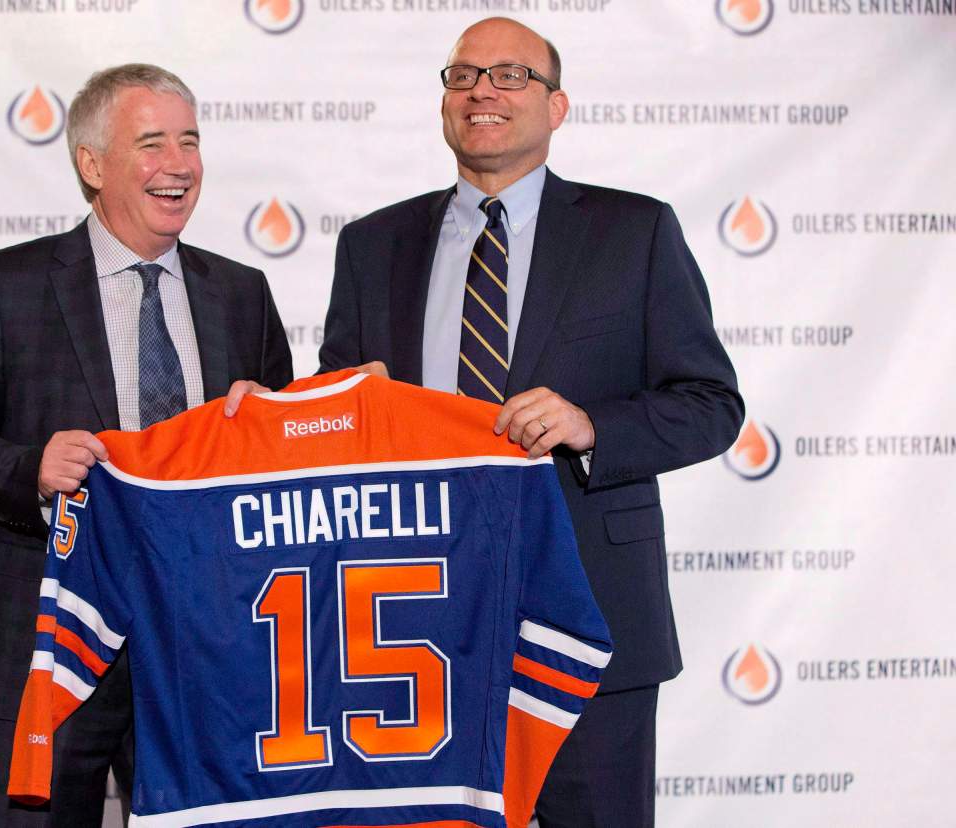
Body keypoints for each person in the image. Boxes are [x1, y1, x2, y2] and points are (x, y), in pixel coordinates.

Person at [318, 18, 743, 827]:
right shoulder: (373, 245)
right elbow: (338, 421)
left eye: (511, 75)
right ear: (445, 103)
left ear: (557, 106)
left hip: (588, 624)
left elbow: (711, 405)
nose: (483, 91)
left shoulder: (634, 232)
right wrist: (341, 408)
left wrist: (593, 426)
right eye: (464, 76)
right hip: (415, 634)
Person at [0, 63, 292, 825]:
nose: (179, 164)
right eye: (152, 143)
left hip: (204, 648)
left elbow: (286, 464)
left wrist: (273, 429)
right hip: (49, 646)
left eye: (190, 141)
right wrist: (30, 470)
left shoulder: (240, 291)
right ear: (92, 163)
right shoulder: (10, 286)